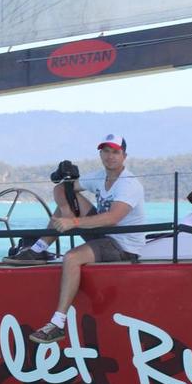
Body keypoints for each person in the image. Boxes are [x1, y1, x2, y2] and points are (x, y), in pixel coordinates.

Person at [13, 134, 147, 344]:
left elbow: (113, 218)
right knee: (67, 199)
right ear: (100, 154)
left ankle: (57, 324)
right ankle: (37, 249)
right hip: (103, 234)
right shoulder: (99, 176)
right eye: (106, 151)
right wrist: (67, 210)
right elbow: (61, 189)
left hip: (123, 244)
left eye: (115, 152)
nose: (110, 156)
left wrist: (72, 222)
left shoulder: (128, 184)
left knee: (71, 258)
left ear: (124, 156)